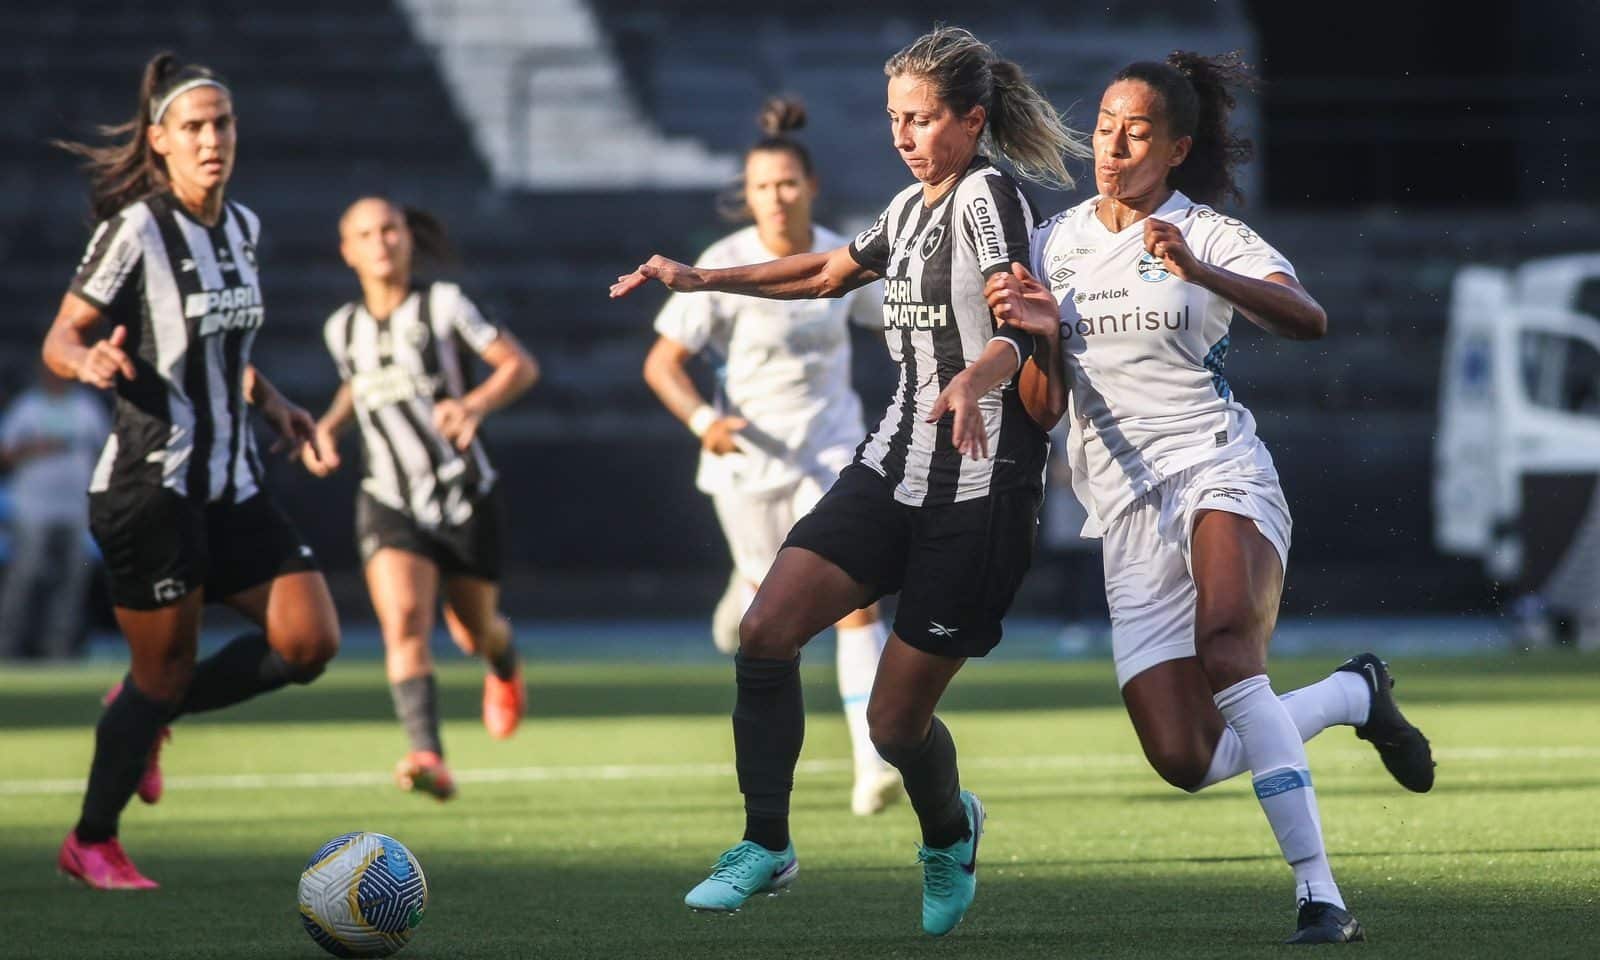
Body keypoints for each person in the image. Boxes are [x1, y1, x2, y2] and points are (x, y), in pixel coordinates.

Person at [613, 26, 1088, 935]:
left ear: (971, 119)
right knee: (764, 631)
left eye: (919, 119)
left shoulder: (989, 196)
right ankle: (766, 846)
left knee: (894, 726)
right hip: (888, 468)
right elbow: (829, 272)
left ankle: (950, 832)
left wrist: (971, 380)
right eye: (892, 120)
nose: (903, 136)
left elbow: (1021, 325)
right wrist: (702, 277)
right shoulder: (908, 210)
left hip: (980, 485)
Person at [984, 51, 1435, 945]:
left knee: (1230, 650)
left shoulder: (1210, 234)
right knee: (1187, 760)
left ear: (1177, 147)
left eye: (1137, 131)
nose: (1113, 144)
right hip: (1123, 510)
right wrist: (1038, 340)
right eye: (1106, 125)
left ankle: (1319, 893)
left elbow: (1306, 318)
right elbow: (1042, 409)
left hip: (1218, 466)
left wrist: (1196, 271)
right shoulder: (1055, 241)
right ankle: (1354, 695)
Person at [43, 53, 341, 889]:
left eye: (224, 124)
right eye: (195, 128)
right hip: (153, 488)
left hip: (233, 479)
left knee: (309, 641)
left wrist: (275, 402)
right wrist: (85, 363)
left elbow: (219, 350)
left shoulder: (242, 227)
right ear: (161, 141)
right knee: (162, 671)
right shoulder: (136, 229)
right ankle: (91, 840)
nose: (213, 140)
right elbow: (60, 336)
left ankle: (144, 713)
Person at [642, 97, 902, 817]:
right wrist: (703, 419)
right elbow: (663, 363)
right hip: (748, 461)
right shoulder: (719, 268)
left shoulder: (837, 254)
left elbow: (896, 321)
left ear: (810, 185)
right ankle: (742, 585)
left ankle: (870, 761)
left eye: (788, 183)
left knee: (857, 603)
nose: (776, 196)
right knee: (765, 618)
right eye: (762, 186)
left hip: (831, 449)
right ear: (747, 194)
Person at [302, 197, 537, 800]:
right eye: (366, 233)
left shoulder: (445, 305)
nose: (380, 241)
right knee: (404, 621)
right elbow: (358, 387)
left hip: (463, 494)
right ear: (346, 250)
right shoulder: (342, 327)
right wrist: (329, 426)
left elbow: (518, 366)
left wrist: (475, 405)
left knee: (472, 630)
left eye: (390, 229)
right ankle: (427, 753)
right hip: (389, 498)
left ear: (408, 238)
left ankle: (502, 660)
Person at [0, 364, 109, 660]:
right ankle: (7, 648)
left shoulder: (87, 408)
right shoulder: (27, 408)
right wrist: (37, 447)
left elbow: (105, 454)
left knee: (73, 581)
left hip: (76, 509)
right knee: (25, 578)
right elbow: (5, 455)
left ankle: (58, 650)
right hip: (33, 509)